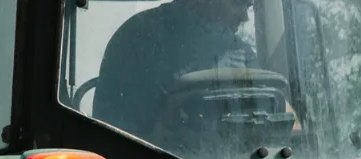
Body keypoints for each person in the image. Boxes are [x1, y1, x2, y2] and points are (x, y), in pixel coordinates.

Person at [93, 0, 257, 139]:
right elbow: (119, 142)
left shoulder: (241, 54)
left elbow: (268, 106)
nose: (245, 16)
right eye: (237, 2)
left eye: (248, 6)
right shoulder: (139, 40)